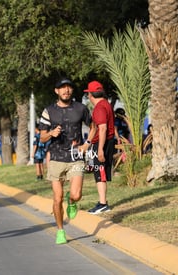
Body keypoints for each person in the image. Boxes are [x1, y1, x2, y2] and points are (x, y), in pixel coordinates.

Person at [39, 77, 94, 245]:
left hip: (75, 157)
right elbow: (41, 138)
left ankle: (72, 202)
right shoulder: (48, 111)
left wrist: (87, 144)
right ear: (57, 91)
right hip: (55, 158)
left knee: (76, 194)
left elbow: (94, 127)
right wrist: (51, 134)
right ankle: (60, 231)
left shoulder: (81, 108)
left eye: (69, 87)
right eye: (62, 88)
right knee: (57, 198)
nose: (66, 90)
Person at [84, 81, 115, 214]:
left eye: (88, 94)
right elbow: (95, 128)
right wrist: (87, 143)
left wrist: (100, 149)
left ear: (91, 95)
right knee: (98, 171)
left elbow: (102, 129)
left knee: (100, 172)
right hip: (103, 142)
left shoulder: (99, 108)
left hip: (103, 143)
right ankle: (102, 202)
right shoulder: (106, 104)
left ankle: (103, 204)